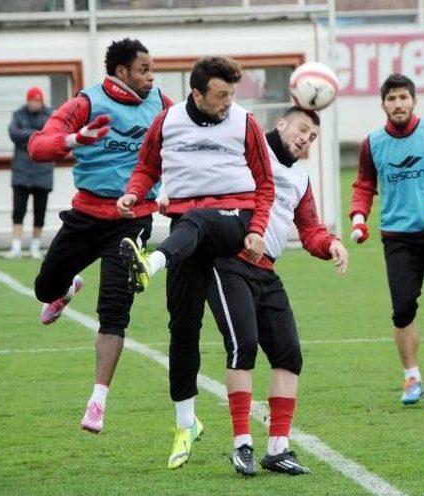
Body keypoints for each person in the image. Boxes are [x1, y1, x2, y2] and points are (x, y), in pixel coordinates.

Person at [116, 55, 275, 469]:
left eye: (231, 94)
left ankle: (150, 264)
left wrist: (257, 227)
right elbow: (147, 167)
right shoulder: (166, 122)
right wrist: (134, 194)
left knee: (200, 221)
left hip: (232, 220)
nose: (227, 102)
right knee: (181, 329)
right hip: (186, 233)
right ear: (197, 93)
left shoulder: (244, 122)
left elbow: (265, 183)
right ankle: (186, 424)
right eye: (220, 95)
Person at [28, 38, 172, 433]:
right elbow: (38, 145)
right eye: (144, 69)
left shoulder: (161, 103)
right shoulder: (86, 103)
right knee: (43, 288)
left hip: (132, 219)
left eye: (152, 69)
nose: (151, 76)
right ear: (122, 72)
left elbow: (187, 137)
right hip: (86, 215)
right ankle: (65, 288)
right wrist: (75, 139)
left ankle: (97, 401)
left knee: (113, 310)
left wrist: (170, 191)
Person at [205, 107, 348, 477]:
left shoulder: (300, 179)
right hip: (228, 261)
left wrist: (329, 243)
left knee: (289, 353)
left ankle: (278, 447)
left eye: (312, 136)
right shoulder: (249, 152)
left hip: (266, 270)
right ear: (281, 123)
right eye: (302, 130)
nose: (305, 139)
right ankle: (242, 445)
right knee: (244, 346)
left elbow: (310, 228)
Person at [349, 73, 424, 407]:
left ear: (415, 101)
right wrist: (359, 217)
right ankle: (412, 375)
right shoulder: (372, 142)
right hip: (398, 238)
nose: (398, 104)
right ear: (383, 104)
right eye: (392, 99)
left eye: (404, 98)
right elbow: (363, 184)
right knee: (402, 310)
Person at [7, 87, 53, 259]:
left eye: (37, 100)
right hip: (21, 172)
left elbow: (51, 134)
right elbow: (14, 134)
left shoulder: (50, 115)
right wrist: (36, 134)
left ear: (41, 101)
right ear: (28, 101)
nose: (34, 103)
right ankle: (16, 247)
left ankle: (35, 247)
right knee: (18, 210)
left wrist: (28, 135)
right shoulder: (18, 114)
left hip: (43, 171)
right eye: (32, 100)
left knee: (39, 212)